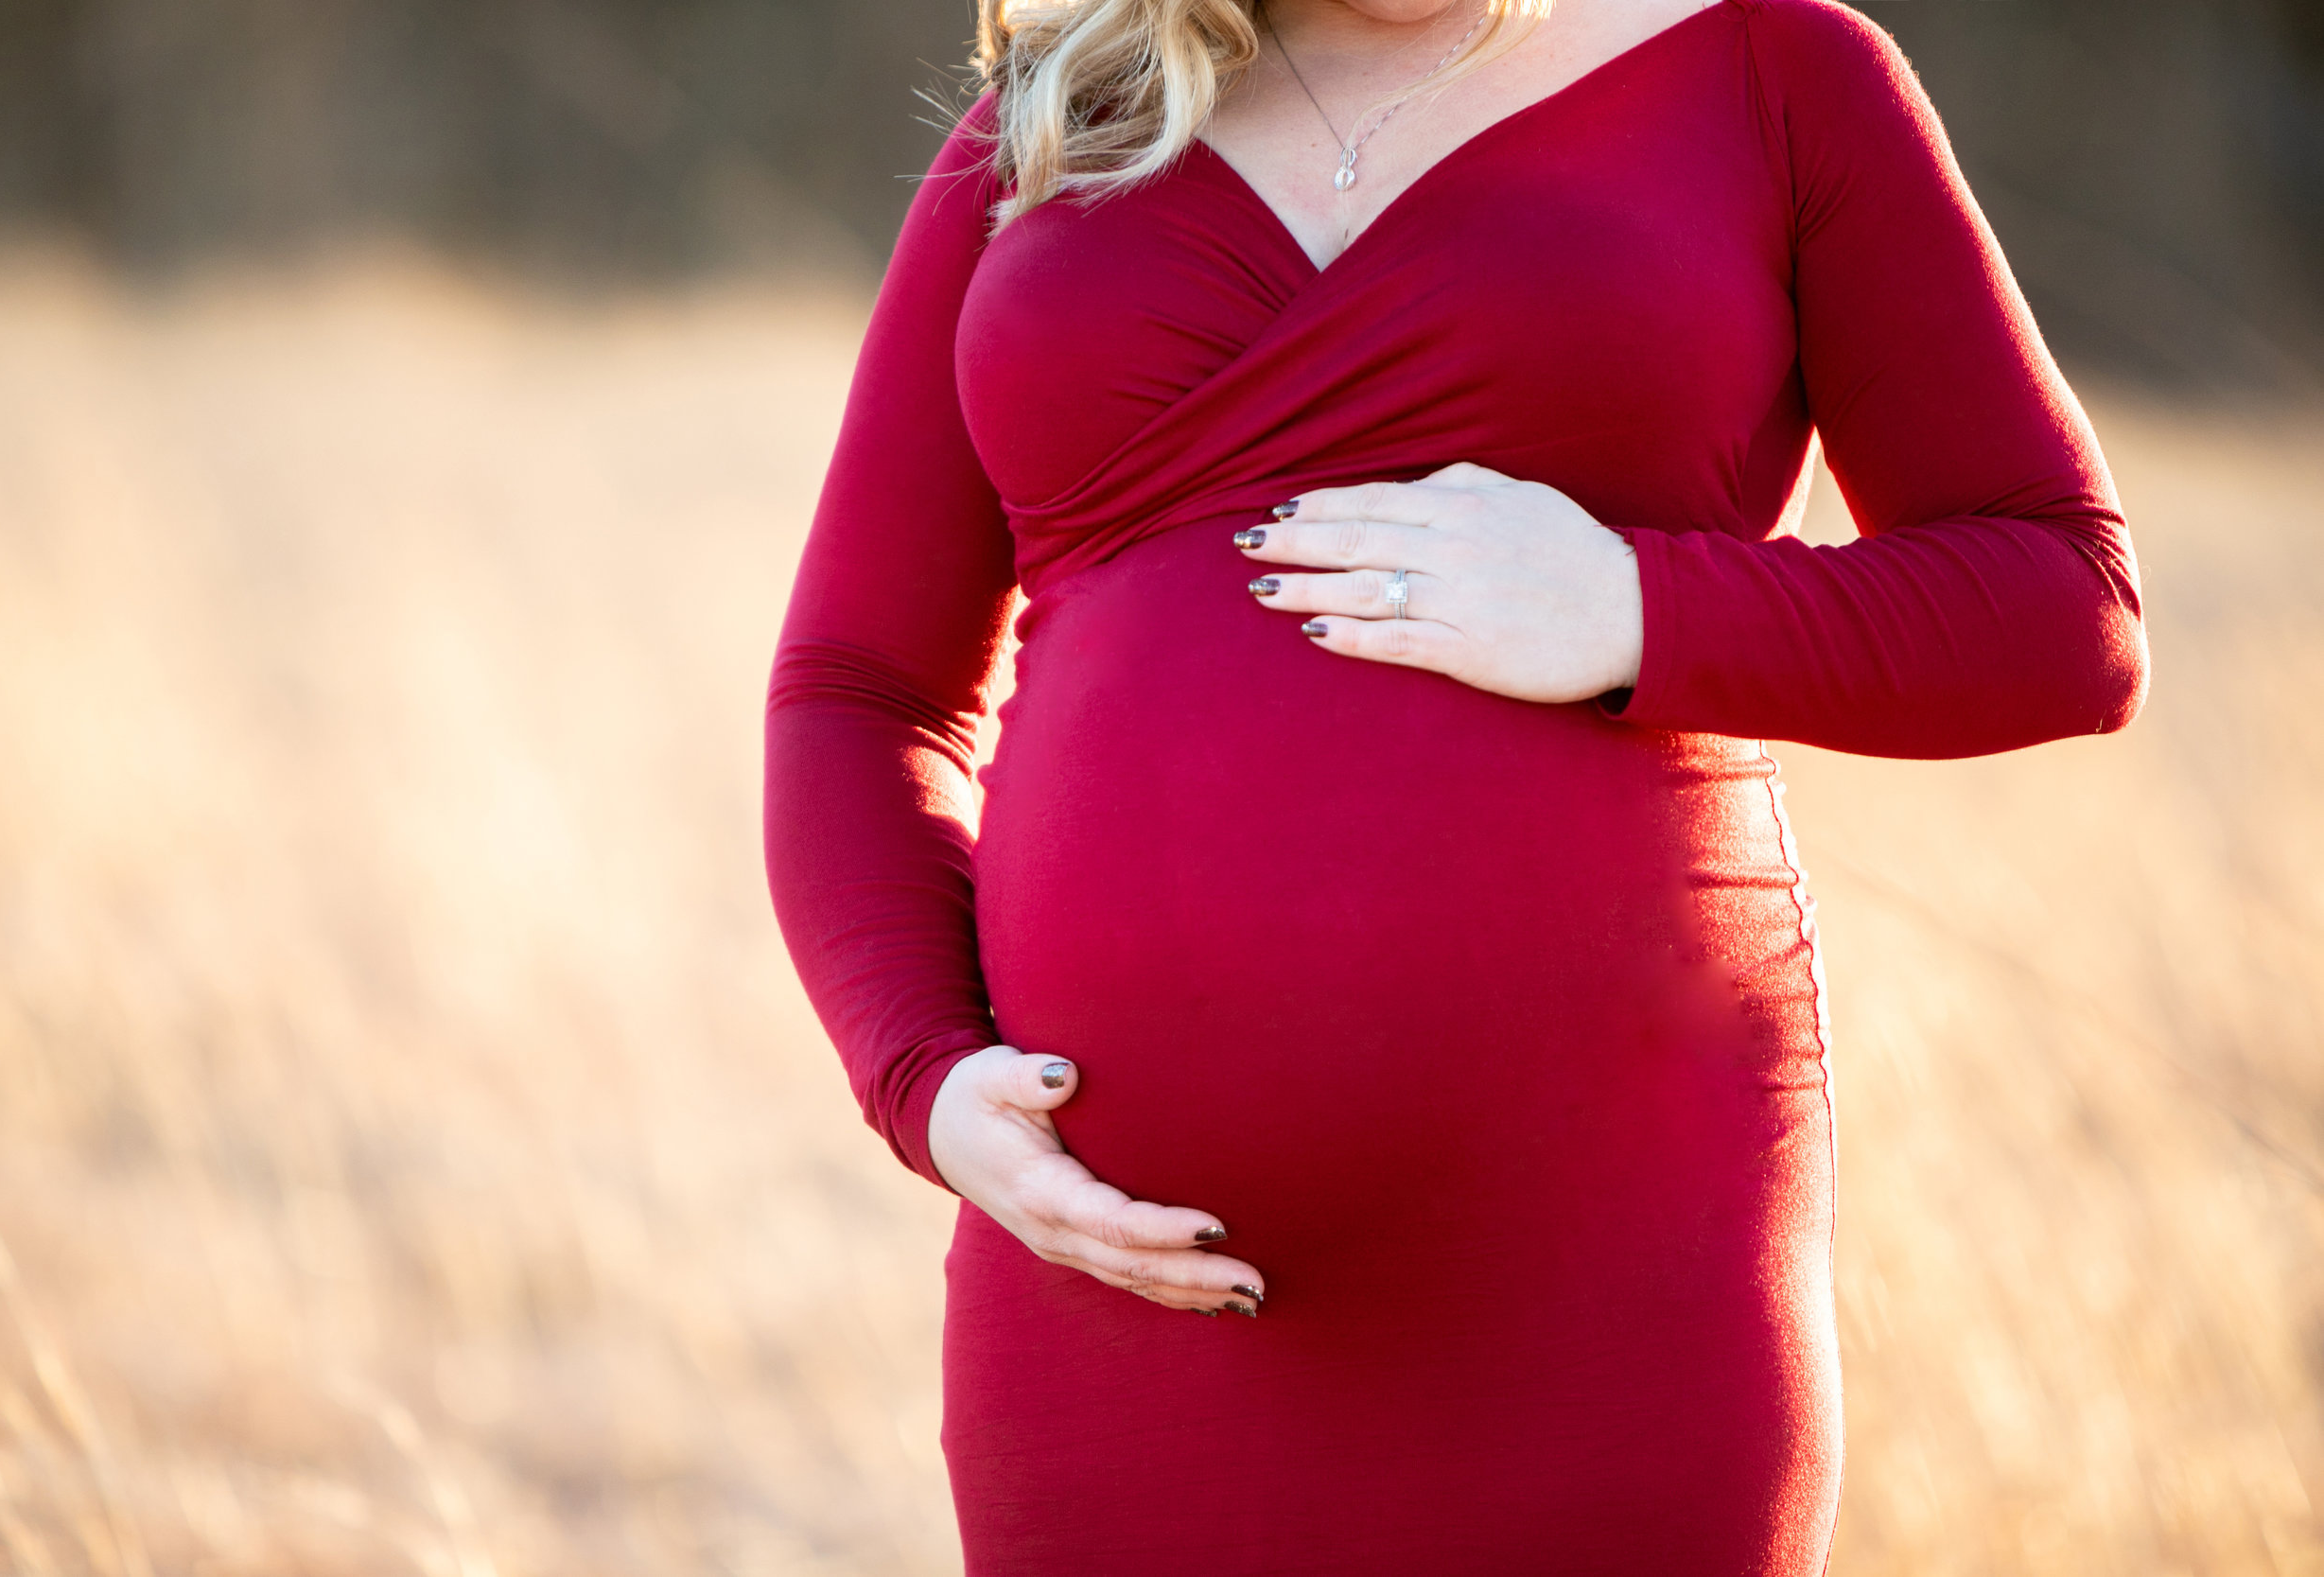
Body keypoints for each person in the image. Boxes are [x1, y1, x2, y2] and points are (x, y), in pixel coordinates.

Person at [764, 0, 2148, 1568]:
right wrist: (925, 1081)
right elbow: (856, 692)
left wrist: (1637, 607)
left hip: (1610, 1276)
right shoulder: (1062, 113)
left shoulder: (1777, 72)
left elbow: (2065, 607)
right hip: (1111, 1305)